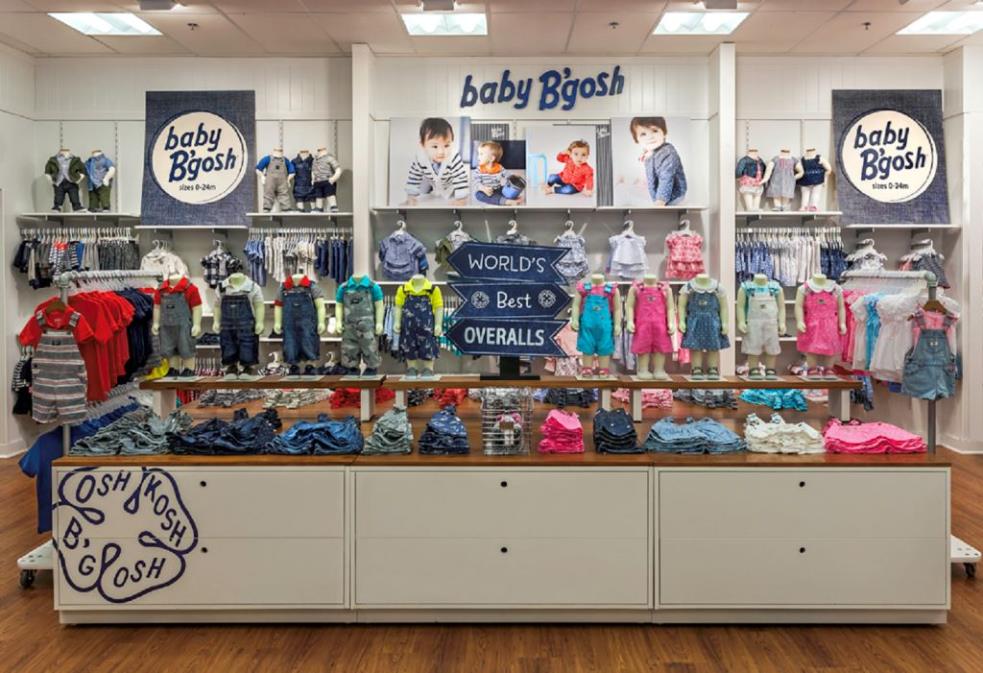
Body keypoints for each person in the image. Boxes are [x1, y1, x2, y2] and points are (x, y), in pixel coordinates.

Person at [404, 117, 469, 205]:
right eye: (435, 146)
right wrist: (410, 197)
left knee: (453, 194)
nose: (441, 152)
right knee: (423, 187)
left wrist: (461, 199)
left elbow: (460, 177)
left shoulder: (454, 157)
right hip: (431, 180)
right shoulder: (420, 158)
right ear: (423, 145)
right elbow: (413, 177)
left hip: (450, 184)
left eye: (446, 145)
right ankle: (426, 190)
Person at [630, 116, 687, 206]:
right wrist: (644, 153)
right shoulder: (651, 150)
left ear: (664, 133)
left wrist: (661, 201)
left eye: (654, 131)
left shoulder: (668, 153)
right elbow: (649, 150)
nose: (650, 137)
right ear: (637, 140)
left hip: (674, 196)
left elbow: (666, 177)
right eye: (643, 134)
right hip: (656, 191)